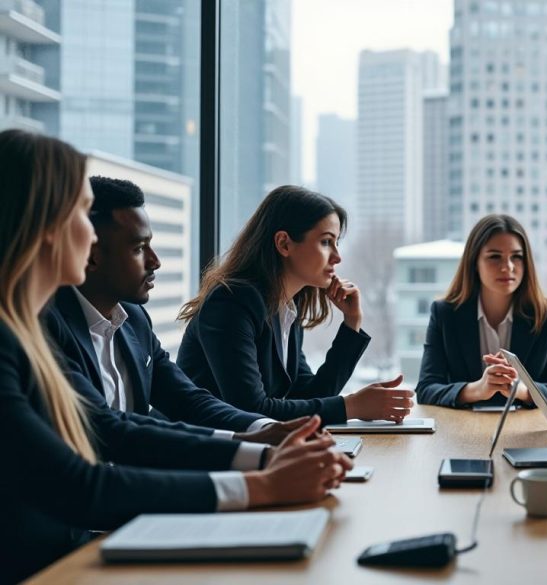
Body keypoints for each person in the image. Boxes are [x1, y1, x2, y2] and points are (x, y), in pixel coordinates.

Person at [0, 129, 349, 584]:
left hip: (87, 537)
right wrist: (260, 481)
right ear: (45, 228)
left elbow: (130, 421)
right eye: (82, 213)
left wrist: (257, 451)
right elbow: (83, 478)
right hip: (42, 563)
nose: (91, 234)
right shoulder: (24, 336)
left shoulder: (60, 327)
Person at [44, 176, 305, 445]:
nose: (155, 261)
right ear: (91, 255)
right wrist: (246, 446)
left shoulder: (134, 319)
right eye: (139, 248)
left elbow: (186, 398)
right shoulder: (48, 326)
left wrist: (265, 428)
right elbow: (108, 428)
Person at [177, 185, 413, 424]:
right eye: (326, 242)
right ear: (284, 244)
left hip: (245, 443)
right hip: (200, 443)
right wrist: (351, 406)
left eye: (336, 243)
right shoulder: (230, 303)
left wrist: (352, 324)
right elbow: (252, 410)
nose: (337, 257)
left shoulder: (285, 309)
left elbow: (309, 395)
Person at [416, 215, 547, 408]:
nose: (508, 267)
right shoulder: (445, 314)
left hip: (527, 426)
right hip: (463, 425)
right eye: (494, 256)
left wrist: (521, 390)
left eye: (516, 257)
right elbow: (426, 390)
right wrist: (477, 389)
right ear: (474, 263)